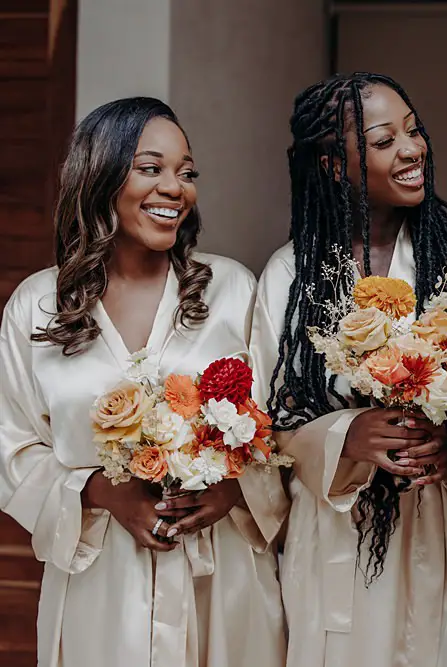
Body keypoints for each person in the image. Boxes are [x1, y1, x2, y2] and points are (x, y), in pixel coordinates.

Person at [0, 97, 286, 667]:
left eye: (186, 173)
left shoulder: (232, 290)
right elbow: (11, 446)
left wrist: (234, 491)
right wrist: (103, 492)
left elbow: (282, 424)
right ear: (99, 176)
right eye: (151, 168)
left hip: (221, 574)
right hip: (101, 576)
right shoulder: (38, 305)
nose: (174, 188)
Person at [250, 72, 447, 667]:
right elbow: (264, 426)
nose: (413, 149)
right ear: (337, 166)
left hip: (440, 521)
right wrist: (348, 438)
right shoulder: (290, 273)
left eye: (414, 131)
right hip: (337, 537)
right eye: (385, 140)